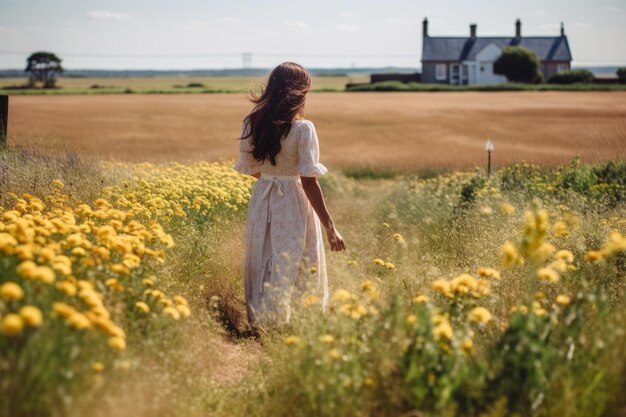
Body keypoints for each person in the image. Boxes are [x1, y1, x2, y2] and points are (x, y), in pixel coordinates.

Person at [233, 62, 346, 332]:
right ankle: (293, 322)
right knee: (296, 257)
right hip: (293, 200)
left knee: (264, 254)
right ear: (298, 92)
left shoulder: (252, 122)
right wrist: (331, 228)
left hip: (263, 196)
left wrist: (271, 181)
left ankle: (263, 320)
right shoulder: (303, 129)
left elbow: (249, 169)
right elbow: (309, 181)